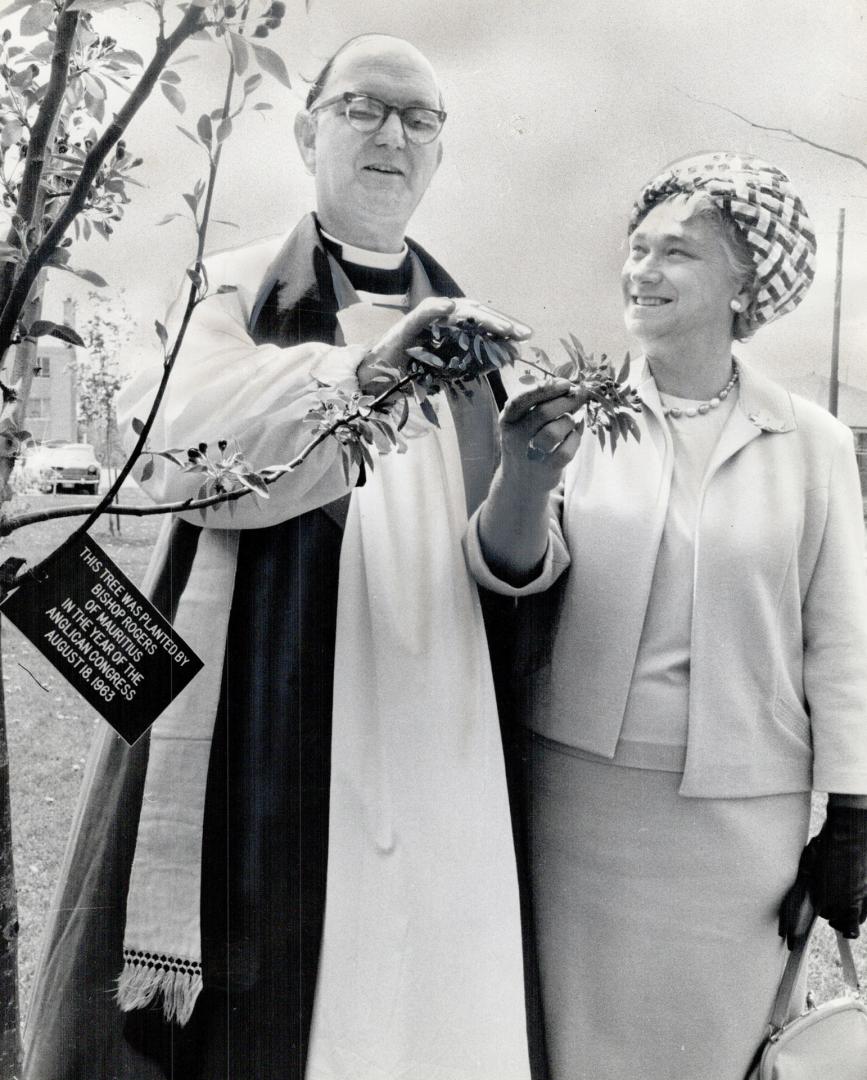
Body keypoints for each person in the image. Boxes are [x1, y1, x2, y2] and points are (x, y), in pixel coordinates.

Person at [24, 35, 536, 1080]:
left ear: (440, 155)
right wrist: (370, 372)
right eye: (363, 108)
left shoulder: (480, 330)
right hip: (266, 667)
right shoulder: (236, 288)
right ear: (307, 132)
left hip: (429, 692)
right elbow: (189, 439)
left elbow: (505, 530)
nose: (393, 134)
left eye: (420, 119)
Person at [466, 151, 867, 1079]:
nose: (641, 270)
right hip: (583, 801)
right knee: (576, 1048)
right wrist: (525, 473)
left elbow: (840, 637)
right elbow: (512, 575)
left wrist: (852, 816)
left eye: (676, 253)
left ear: (745, 284)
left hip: (740, 823)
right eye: (636, 248)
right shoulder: (581, 415)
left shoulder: (807, 441)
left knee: (715, 1052)